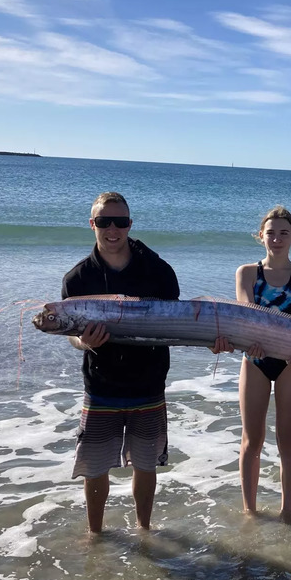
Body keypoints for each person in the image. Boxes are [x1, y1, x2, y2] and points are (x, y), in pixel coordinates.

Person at [61, 191, 180, 534]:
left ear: (130, 224)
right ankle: (95, 536)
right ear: (92, 224)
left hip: (148, 383)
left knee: (146, 465)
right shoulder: (77, 279)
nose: (112, 229)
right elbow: (69, 332)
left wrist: (215, 341)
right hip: (101, 387)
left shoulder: (158, 270)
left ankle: (145, 531)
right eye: (104, 221)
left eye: (121, 222)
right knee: (96, 468)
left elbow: (177, 325)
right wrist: (82, 342)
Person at [210, 206, 291, 521]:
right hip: (254, 359)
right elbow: (247, 313)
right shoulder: (247, 273)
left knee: (287, 437)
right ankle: (250, 511)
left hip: (290, 361)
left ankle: (287, 512)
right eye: (271, 232)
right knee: (251, 438)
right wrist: (252, 338)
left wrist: (286, 348)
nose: (277, 238)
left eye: (284, 232)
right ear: (260, 236)